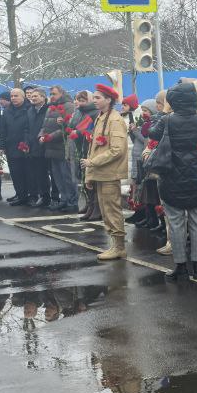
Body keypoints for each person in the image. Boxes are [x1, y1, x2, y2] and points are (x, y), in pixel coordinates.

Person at [156, 81, 197, 280]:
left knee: (176, 224)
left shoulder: (167, 120)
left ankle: (180, 266)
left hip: (172, 179)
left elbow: (152, 134)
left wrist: (165, 113)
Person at [81, 84, 132, 261]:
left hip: (110, 173)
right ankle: (115, 244)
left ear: (108, 100)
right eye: (94, 97)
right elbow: (93, 148)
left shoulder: (115, 120)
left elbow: (116, 150)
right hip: (100, 172)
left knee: (112, 210)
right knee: (105, 209)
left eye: (97, 98)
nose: (94, 100)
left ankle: (119, 247)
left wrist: (92, 163)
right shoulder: (100, 118)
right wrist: (90, 173)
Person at [39, 86, 78, 212]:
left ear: (61, 93)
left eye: (54, 93)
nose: (52, 96)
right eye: (50, 94)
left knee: (67, 176)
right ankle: (64, 199)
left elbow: (67, 127)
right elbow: (44, 125)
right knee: (57, 177)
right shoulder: (51, 107)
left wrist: (50, 137)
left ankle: (72, 201)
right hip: (51, 147)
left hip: (63, 147)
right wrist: (41, 135)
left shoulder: (68, 106)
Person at [67, 90, 100, 219]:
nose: (79, 103)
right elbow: (72, 126)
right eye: (78, 100)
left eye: (83, 100)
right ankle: (89, 204)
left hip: (89, 148)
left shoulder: (95, 112)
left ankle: (96, 207)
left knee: (91, 179)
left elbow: (93, 130)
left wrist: (79, 133)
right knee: (83, 178)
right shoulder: (78, 112)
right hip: (79, 147)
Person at [0, 88, 32, 205]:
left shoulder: (29, 109)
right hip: (11, 146)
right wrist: (1, 145)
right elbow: (3, 129)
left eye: (16, 96)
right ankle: (20, 194)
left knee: (27, 172)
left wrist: (26, 142)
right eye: (12, 96)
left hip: (25, 147)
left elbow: (29, 128)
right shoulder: (7, 111)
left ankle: (29, 196)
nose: (13, 98)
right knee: (15, 173)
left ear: (23, 97)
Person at [23, 86, 51, 208]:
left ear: (43, 97)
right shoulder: (30, 110)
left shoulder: (48, 110)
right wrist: (26, 142)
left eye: (36, 96)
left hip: (45, 145)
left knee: (47, 173)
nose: (32, 98)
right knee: (38, 174)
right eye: (32, 96)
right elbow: (27, 128)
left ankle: (51, 197)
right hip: (33, 146)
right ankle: (43, 196)